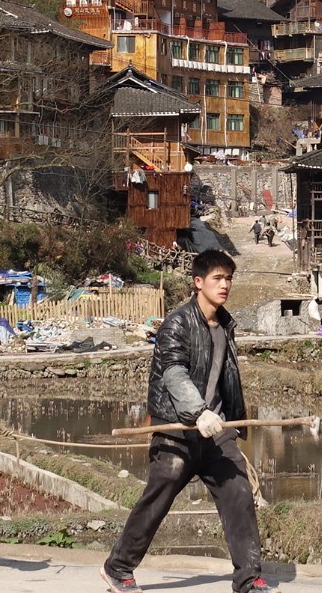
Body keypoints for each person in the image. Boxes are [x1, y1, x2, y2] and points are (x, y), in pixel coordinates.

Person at [103, 249, 272, 593]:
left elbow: (225, 376)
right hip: (178, 427)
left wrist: (227, 420)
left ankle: (249, 580)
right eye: (218, 278)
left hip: (216, 429)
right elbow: (174, 372)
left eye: (229, 279)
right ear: (198, 282)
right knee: (159, 496)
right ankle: (118, 568)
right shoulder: (177, 323)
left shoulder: (225, 324)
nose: (225, 285)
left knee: (239, 493)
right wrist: (199, 411)